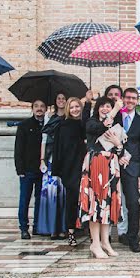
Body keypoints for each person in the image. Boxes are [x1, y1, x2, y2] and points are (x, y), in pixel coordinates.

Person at [80, 97, 124, 259]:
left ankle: (105, 242)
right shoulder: (92, 123)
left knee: (107, 204)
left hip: (110, 165)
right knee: (95, 204)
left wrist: (118, 145)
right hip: (95, 164)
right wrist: (115, 109)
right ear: (97, 108)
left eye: (108, 106)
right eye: (102, 106)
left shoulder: (114, 125)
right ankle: (95, 243)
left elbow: (119, 149)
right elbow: (101, 126)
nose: (105, 109)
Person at [113, 87, 140, 254]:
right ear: (122, 99)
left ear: (137, 100)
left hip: (132, 168)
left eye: (134, 98)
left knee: (133, 203)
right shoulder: (114, 118)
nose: (130, 101)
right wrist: (117, 154)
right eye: (127, 98)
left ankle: (133, 237)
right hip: (112, 165)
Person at [51, 97, 87, 246]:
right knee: (71, 201)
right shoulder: (62, 126)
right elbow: (57, 149)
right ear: (68, 109)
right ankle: (71, 232)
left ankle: (87, 230)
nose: (75, 110)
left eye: (77, 106)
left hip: (85, 167)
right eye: (71, 107)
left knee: (87, 200)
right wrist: (57, 170)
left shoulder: (85, 124)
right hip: (69, 168)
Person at [14, 99, 46, 240]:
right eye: (36, 106)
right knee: (25, 199)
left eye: (42, 106)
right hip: (27, 169)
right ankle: (24, 227)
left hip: (42, 169)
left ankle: (37, 225)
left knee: (40, 199)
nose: (39, 109)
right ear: (32, 108)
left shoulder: (48, 125)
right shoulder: (24, 125)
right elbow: (18, 149)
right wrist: (19, 169)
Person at [39, 92, 67, 175]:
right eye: (59, 98)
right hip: (51, 153)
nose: (61, 100)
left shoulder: (69, 117)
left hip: (65, 154)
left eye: (63, 98)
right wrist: (42, 159)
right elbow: (44, 138)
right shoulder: (49, 117)